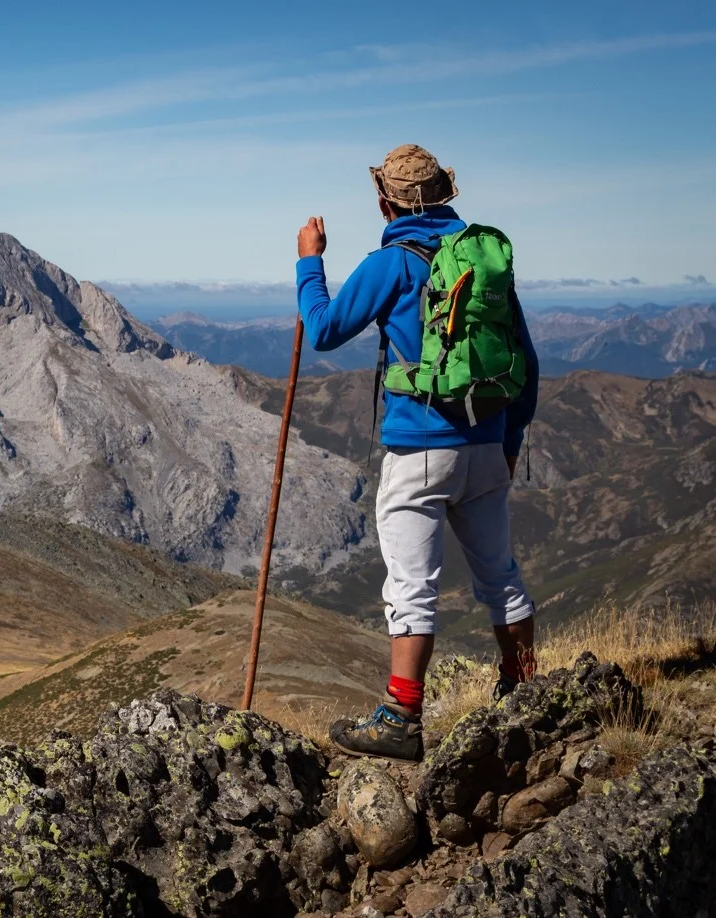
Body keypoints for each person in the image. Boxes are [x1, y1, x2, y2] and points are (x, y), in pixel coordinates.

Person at [293, 144, 539, 762]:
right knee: (501, 578)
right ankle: (524, 688)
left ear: (386, 200)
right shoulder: (482, 264)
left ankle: (402, 715)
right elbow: (527, 364)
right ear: (447, 196)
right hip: (487, 441)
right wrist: (507, 442)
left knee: (412, 587)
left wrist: (309, 262)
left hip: (420, 448)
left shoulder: (393, 262)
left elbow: (323, 329)